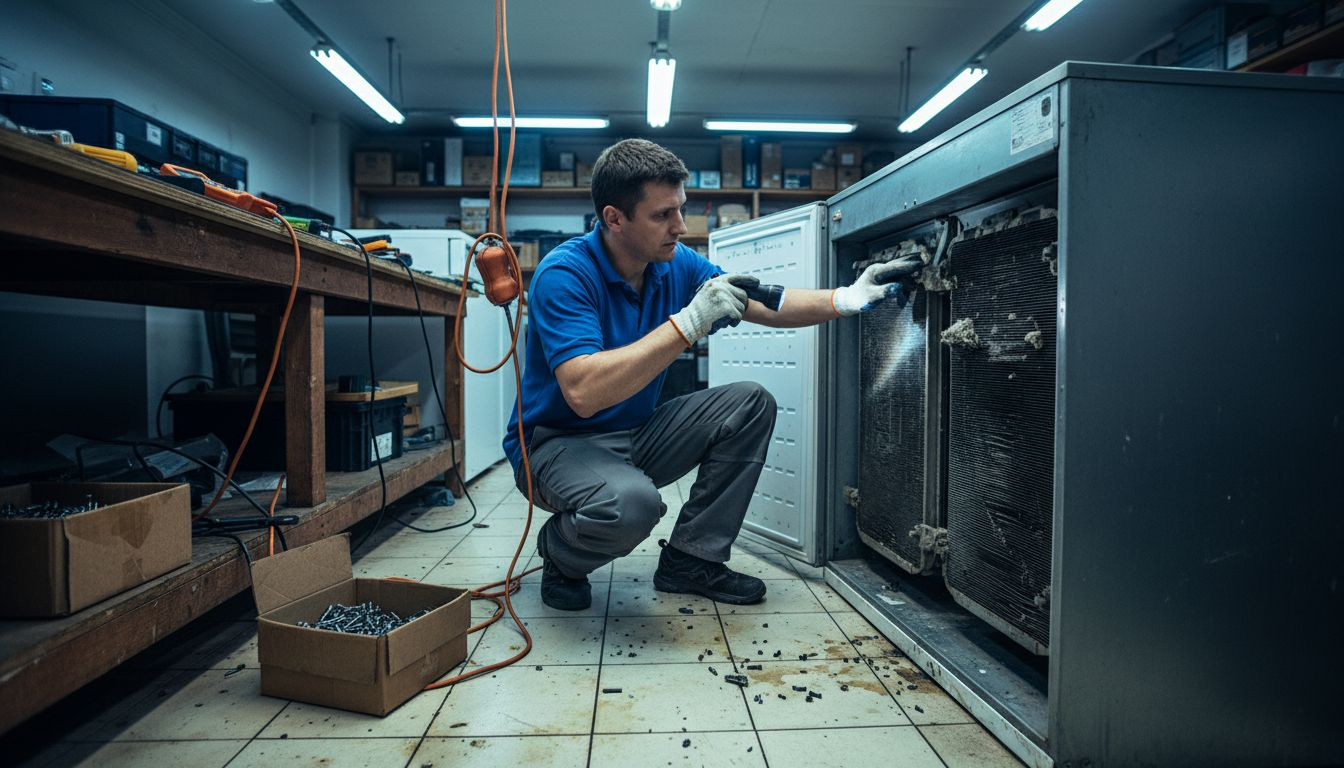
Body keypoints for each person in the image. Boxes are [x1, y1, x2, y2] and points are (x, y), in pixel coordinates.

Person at [503, 138, 917, 610]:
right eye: (662, 215)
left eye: (681, 209)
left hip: (635, 431)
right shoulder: (565, 274)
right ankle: (561, 553)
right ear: (614, 218)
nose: (680, 227)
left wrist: (847, 298)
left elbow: (757, 299)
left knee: (749, 403)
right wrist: (688, 324)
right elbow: (583, 392)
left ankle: (691, 559)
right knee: (632, 506)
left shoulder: (673, 263)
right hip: (556, 443)